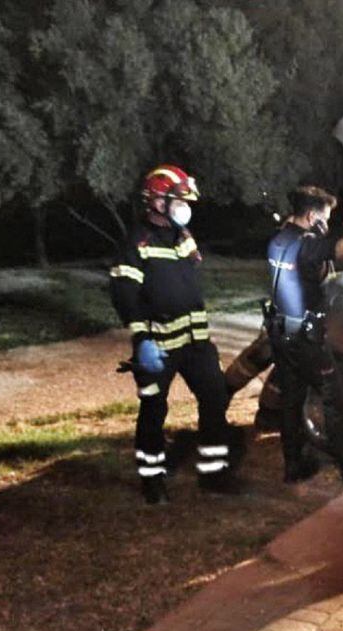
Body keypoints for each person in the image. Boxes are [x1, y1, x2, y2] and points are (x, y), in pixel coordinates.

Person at [109, 165, 241, 504]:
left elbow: (187, 278)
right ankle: (152, 479)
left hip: (196, 342)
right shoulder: (136, 243)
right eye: (178, 199)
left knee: (214, 399)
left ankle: (213, 472)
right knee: (153, 410)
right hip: (158, 345)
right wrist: (142, 341)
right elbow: (124, 295)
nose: (185, 205)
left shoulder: (183, 235)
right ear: (156, 201)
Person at [266, 186, 343, 483]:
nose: (327, 224)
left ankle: (293, 465)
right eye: (325, 217)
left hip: (282, 333)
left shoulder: (279, 239)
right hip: (306, 339)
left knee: (292, 399)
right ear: (311, 214)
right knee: (335, 400)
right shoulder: (306, 244)